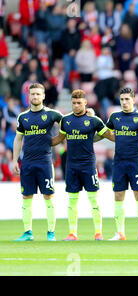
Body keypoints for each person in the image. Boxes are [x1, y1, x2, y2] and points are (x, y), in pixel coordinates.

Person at [50, 89, 115, 241]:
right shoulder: (66, 120)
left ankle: (98, 233)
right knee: (72, 201)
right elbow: (59, 138)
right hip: (71, 166)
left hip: (88, 166)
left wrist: (127, 140)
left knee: (94, 199)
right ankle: (72, 233)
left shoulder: (94, 121)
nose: (76, 105)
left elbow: (109, 136)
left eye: (79, 103)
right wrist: (42, 142)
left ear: (85, 103)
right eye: (74, 103)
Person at [105, 87, 138, 241]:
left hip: (135, 161)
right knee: (118, 195)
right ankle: (119, 233)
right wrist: (118, 139)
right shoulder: (114, 117)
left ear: (134, 100)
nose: (124, 102)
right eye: (122, 99)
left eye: (127, 99)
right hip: (119, 162)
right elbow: (105, 132)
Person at [12, 83, 63, 241]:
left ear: (43, 96)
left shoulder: (52, 114)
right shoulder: (23, 117)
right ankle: (28, 233)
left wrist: (57, 140)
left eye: (38, 94)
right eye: (32, 94)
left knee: (48, 196)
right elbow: (18, 138)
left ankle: (51, 233)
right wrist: (15, 160)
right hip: (27, 162)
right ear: (29, 96)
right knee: (27, 197)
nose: (35, 97)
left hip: (45, 161)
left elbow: (69, 124)